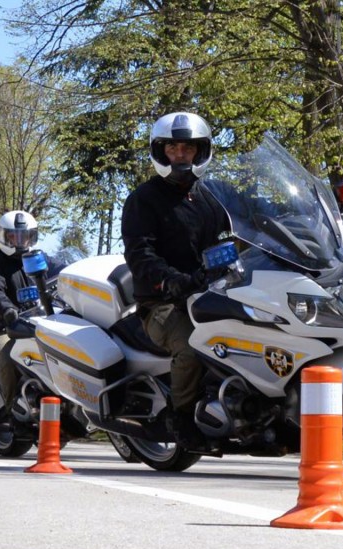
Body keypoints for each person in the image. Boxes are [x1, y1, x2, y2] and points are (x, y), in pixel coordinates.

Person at [121, 111, 231, 447]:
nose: (181, 155)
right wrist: (172, 281)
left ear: (201, 151)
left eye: (188, 148)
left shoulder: (216, 196)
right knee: (193, 345)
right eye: (173, 148)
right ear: (160, 152)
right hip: (164, 303)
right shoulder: (143, 199)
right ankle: (181, 417)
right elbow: (140, 255)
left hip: (219, 292)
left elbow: (253, 223)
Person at [0, 210, 59, 421]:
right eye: (14, 236)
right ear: (4, 236)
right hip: (2, 328)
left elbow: (60, 272)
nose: (20, 240)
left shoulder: (38, 257)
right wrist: (8, 311)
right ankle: (11, 412)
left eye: (24, 235)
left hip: (37, 323)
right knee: (8, 357)